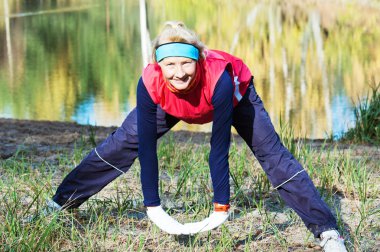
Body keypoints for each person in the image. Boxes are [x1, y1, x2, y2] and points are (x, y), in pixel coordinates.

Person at [41, 21, 347, 251]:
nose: (178, 72)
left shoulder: (219, 79)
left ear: (198, 60)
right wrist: (153, 206)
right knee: (122, 142)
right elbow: (146, 149)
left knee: (274, 157)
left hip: (234, 100)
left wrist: (221, 207)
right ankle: (61, 203)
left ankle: (327, 232)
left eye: (186, 62)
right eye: (169, 65)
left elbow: (218, 147)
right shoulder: (151, 81)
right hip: (172, 104)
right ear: (158, 65)